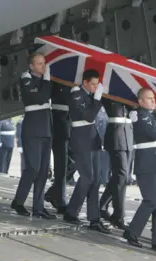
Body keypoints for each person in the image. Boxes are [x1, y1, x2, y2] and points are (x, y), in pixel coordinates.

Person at [122, 88, 156, 255]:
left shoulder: (151, 115)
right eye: (149, 99)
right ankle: (132, 232)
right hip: (148, 164)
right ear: (140, 101)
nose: (153, 101)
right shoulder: (140, 115)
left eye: (154, 98)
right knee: (151, 200)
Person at [63, 69, 110, 234]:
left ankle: (94, 218)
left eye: (97, 84)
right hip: (82, 142)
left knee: (96, 180)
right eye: (93, 84)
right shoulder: (77, 94)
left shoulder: (89, 96)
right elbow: (89, 116)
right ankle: (71, 212)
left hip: (93, 141)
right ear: (85, 83)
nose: (96, 87)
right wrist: (97, 99)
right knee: (87, 178)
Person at [10, 52, 55, 220]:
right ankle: (18, 201)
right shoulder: (26, 79)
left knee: (43, 171)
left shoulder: (43, 81)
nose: (43, 67)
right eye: (40, 64)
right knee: (33, 168)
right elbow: (40, 97)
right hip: (33, 130)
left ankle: (39, 207)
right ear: (31, 66)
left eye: (44, 63)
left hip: (46, 129)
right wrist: (48, 80)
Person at [99, 99, 134, 230]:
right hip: (116, 136)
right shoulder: (111, 94)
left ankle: (101, 205)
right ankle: (118, 216)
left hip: (128, 136)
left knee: (120, 177)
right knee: (122, 175)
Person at [45, 82, 72, 214]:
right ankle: (61, 202)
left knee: (72, 163)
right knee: (61, 165)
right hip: (60, 125)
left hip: (72, 126)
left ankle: (52, 193)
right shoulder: (57, 80)